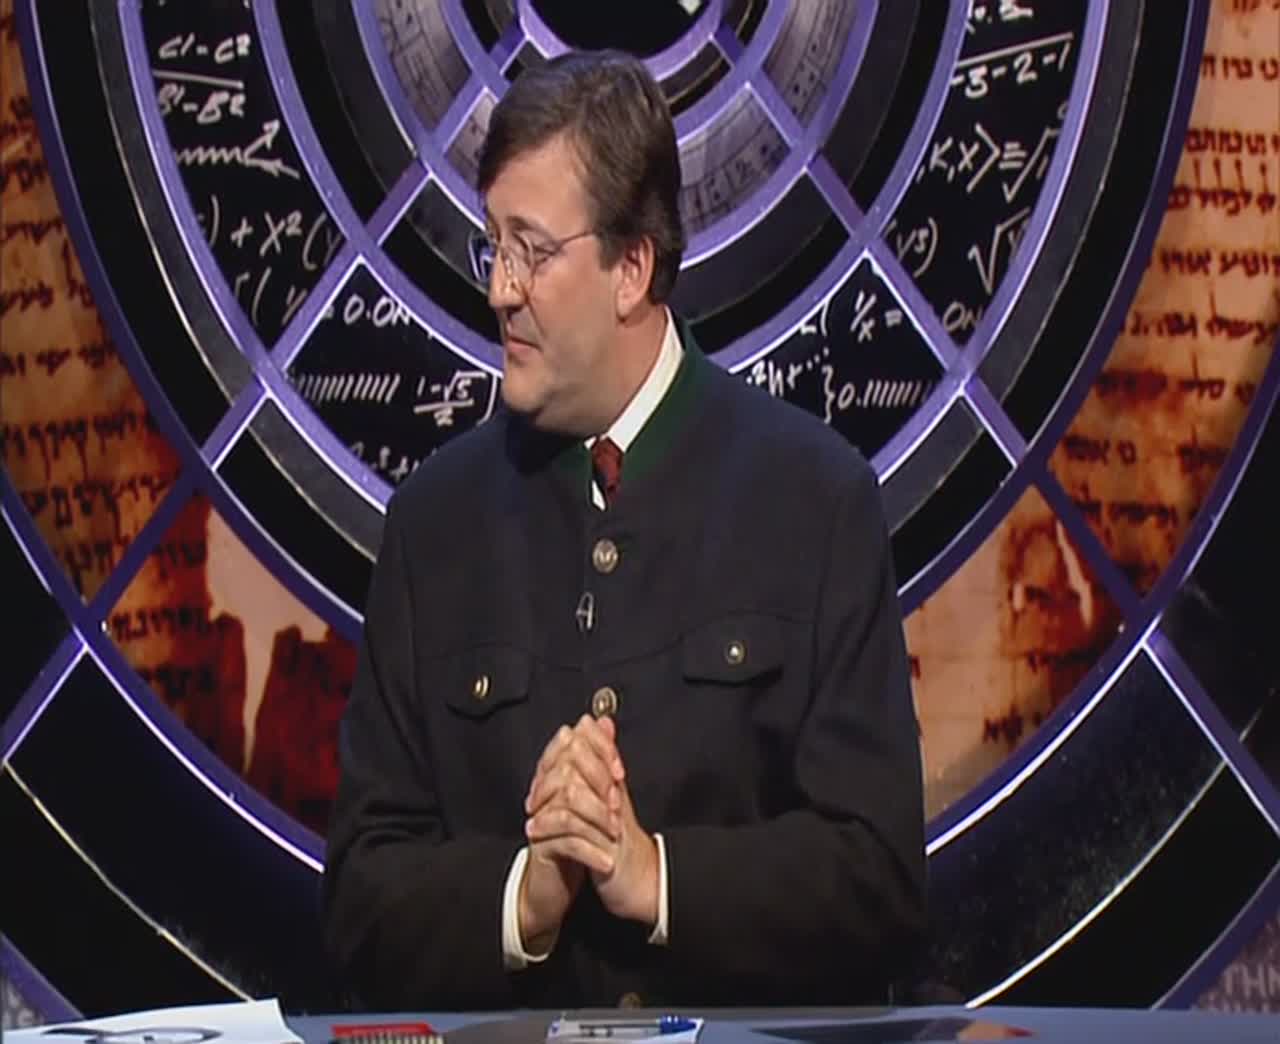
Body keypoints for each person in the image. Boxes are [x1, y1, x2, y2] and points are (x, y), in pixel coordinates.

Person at [321, 49, 925, 1011]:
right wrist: (529, 895)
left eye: (531, 250)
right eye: (492, 246)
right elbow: (360, 896)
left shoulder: (815, 502)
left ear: (631, 269)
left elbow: (878, 880)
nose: (500, 289)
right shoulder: (433, 525)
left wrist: (655, 878)